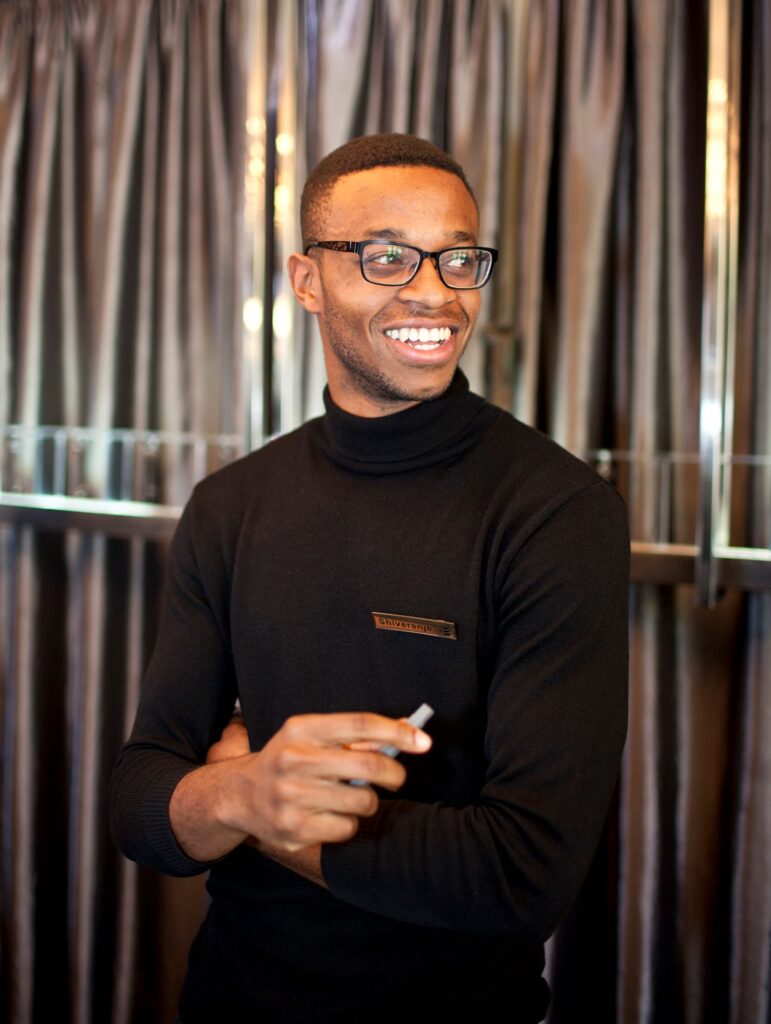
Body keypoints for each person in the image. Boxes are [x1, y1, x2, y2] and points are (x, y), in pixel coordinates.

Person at [110, 133, 629, 1023]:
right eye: (386, 255)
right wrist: (237, 789)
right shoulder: (230, 506)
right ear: (306, 279)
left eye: (458, 257)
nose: (434, 291)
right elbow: (140, 805)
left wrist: (252, 808)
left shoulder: (556, 511)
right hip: (231, 998)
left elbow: (520, 876)